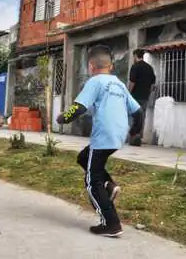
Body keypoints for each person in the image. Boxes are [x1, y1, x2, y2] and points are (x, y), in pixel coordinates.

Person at [56, 45, 143, 237]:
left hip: (103, 135)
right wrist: (135, 132)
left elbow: (78, 107)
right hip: (118, 135)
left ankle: (111, 224)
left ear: (90, 66)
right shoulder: (119, 84)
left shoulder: (95, 82)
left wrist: (62, 118)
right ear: (111, 65)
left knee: (91, 180)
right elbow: (138, 112)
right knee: (83, 158)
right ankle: (110, 186)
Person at [127, 49, 156, 144]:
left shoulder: (135, 67)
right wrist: (148, 92)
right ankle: (138, 136)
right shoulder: (149, 68)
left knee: (132, 116)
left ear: (135, 56)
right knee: (142, 116)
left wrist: (128, 93)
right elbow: (153, 84)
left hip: (135, 96)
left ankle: (131, 137)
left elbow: (132, 82)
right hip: (145, 97)